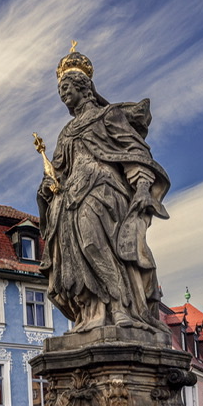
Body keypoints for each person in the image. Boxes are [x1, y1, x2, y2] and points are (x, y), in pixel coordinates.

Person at [37, 45, 170, 334]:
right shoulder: (66, 133)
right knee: (71, 256)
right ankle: (91, 312)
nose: (62, 93)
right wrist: (48, 186)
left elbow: (135, 152)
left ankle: (121, 306)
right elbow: (59, 170)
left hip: (102, 189)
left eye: (66, 87)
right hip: (70, 198)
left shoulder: (107, 116)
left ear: (83, 87)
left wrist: (143, 186)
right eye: (60, 90)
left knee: (93, 245)